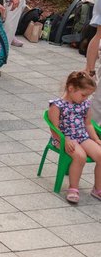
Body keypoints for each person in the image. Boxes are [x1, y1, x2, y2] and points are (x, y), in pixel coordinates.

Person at [49, 71, 101, 204]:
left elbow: (88, 124)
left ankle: (97, 189)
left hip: (82, 136)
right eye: (83, 95)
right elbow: (54, 129)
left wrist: (95, 139)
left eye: (88, 95)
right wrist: (64, 140)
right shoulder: (57, 105)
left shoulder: (85, 104)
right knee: (80, 156)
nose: (85, 98)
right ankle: (73, 188)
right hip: (63, 139)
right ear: (71, 88)